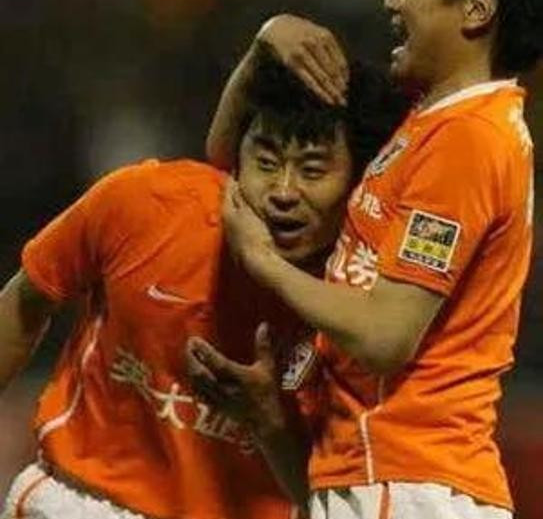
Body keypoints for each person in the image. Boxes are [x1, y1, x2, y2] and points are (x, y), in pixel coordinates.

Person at [187, 0, 543, 518]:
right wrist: (266, 42)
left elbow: (385, 335)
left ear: (476, 10)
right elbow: (232, 154)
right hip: (382, 476)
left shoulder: (470, 139)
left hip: (410, 481)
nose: (391, 1)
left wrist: (263, 261)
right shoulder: (427, 121)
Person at [0, 51, 407, 519]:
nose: (283, 191)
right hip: (81, 501)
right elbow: (26, 303)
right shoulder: (145, 203)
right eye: (266, 162)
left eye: (312, 170)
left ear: (359, 182)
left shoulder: (368, 310)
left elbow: (326, 498)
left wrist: (269, 422)